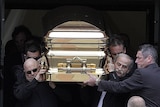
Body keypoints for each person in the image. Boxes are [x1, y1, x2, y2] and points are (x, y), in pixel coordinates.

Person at [85, 44, 160, 107]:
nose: (136, 61)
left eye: (139, 58)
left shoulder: (142, 73)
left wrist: (97, 82)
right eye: (118, 64)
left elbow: (119, 87)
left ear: (149, 58)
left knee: (136, 101)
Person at [3, 25, 32, 107]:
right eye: (17, 42)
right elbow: (8, 83)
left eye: (22, 40)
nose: (20, 44)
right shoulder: (11, 60)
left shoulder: (36, 56)